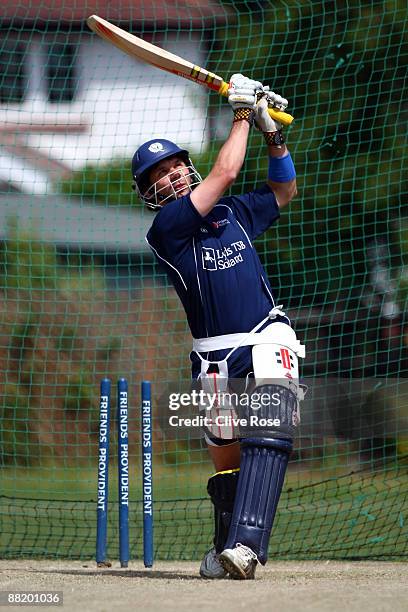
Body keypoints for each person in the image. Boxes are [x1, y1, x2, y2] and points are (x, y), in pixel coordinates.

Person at [132, 74, 304, 579]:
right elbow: (226, 170)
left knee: (269, 432)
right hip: (211, 354)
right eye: (156, 176)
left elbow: (283, 187)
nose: (169, 177)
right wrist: (244, 112)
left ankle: (247, 548)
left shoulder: (235, 214)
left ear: (188, 165)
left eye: (174, 165)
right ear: (149, 193)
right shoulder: (166, 229)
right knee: (226, 457)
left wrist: (272, 133)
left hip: (266, 335)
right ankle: (227, 545)